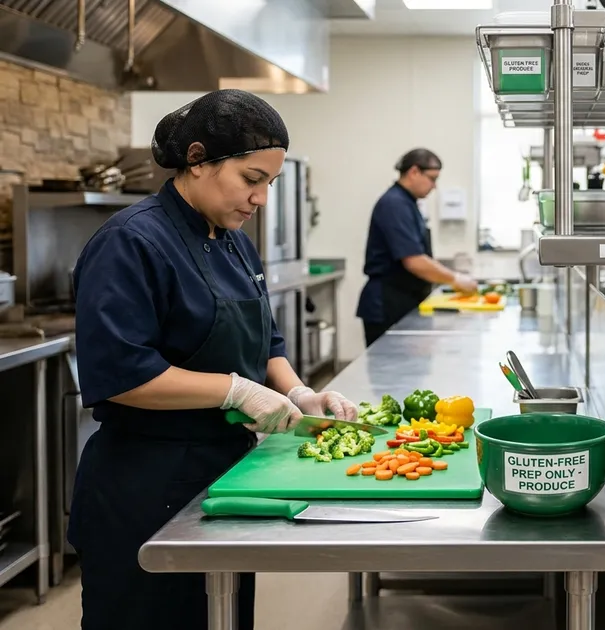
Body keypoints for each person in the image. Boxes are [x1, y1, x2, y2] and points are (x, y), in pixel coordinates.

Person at [68, 89, 359, 630]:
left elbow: (266, 343)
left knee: (221, 615)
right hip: (146, 486)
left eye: (270, 183)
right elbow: (122, 374)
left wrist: (300, 393)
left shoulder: (235, 241)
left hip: (225, 477)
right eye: (252, 179)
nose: (260, 199)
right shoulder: (131, 242)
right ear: (198, 160)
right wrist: (235, 390)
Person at [357, 149, 478, 345]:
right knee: (390, 363)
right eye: (432, 179)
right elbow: (414, 260)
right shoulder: (394, 204)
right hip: (388, 303)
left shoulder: (407, 203)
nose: (434, 186)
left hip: (403, 299)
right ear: (414, 172)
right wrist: (455, 279)